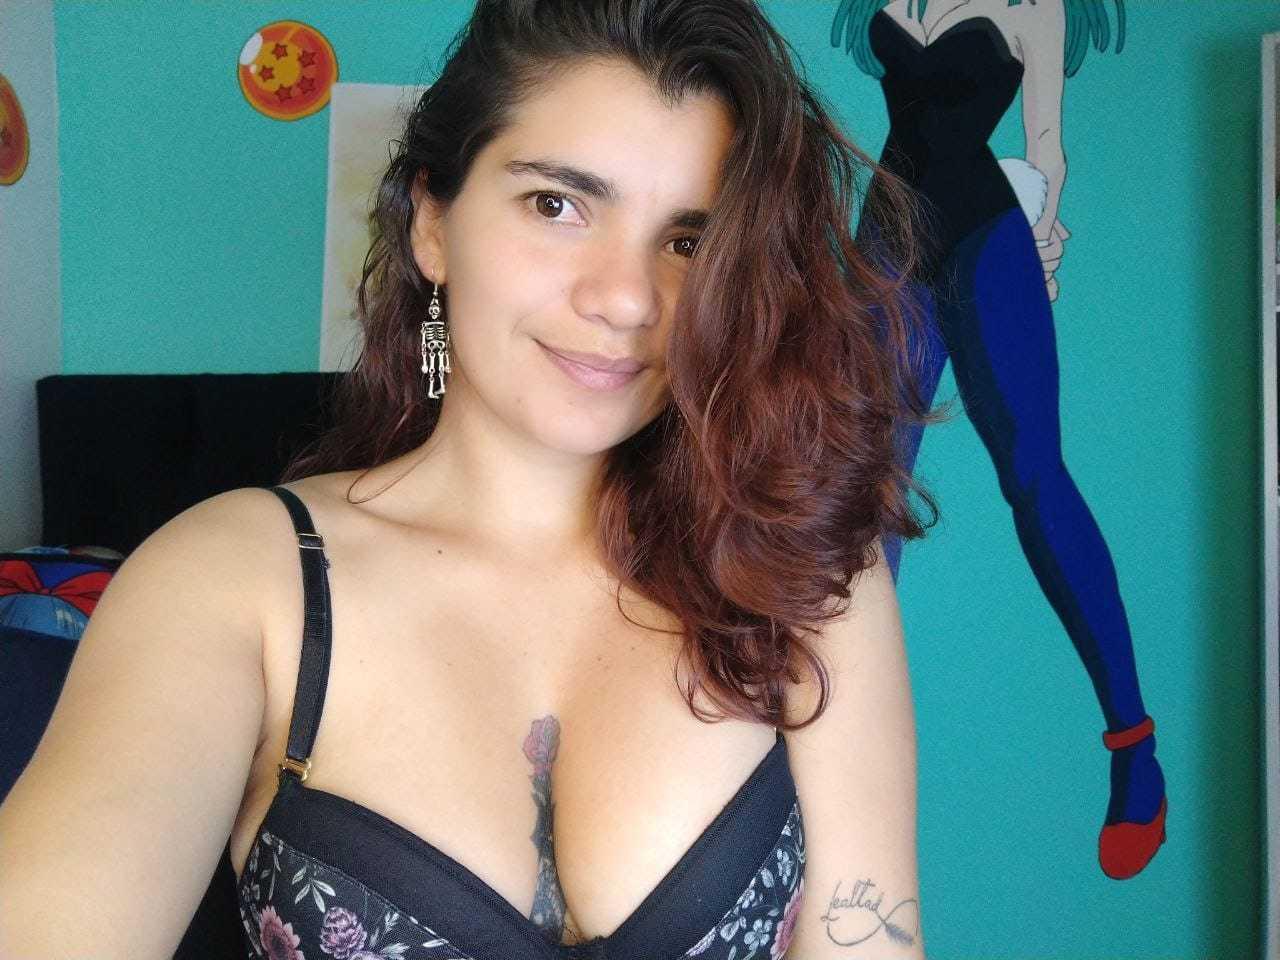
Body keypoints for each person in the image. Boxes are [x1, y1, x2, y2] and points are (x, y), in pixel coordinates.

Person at [0, 1, 943, 957]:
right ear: (432, 223)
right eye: (558, 205)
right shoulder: (235, 584)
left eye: (688, 241)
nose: (627, 298)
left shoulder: (805, 570)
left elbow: (871, 939)